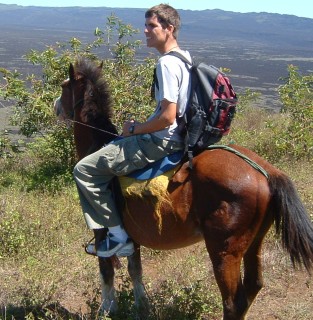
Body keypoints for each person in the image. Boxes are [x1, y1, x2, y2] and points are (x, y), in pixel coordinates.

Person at [73, 3, 192, 257]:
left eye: (152, 26)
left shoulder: (167, 64)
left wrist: (136, 129)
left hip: (161, 142)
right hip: (179, 138)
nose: (146, 31)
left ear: (169, 29)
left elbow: (168, 117)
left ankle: (118, 237)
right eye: (145, 25)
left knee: (83, 170)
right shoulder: (186, 59)